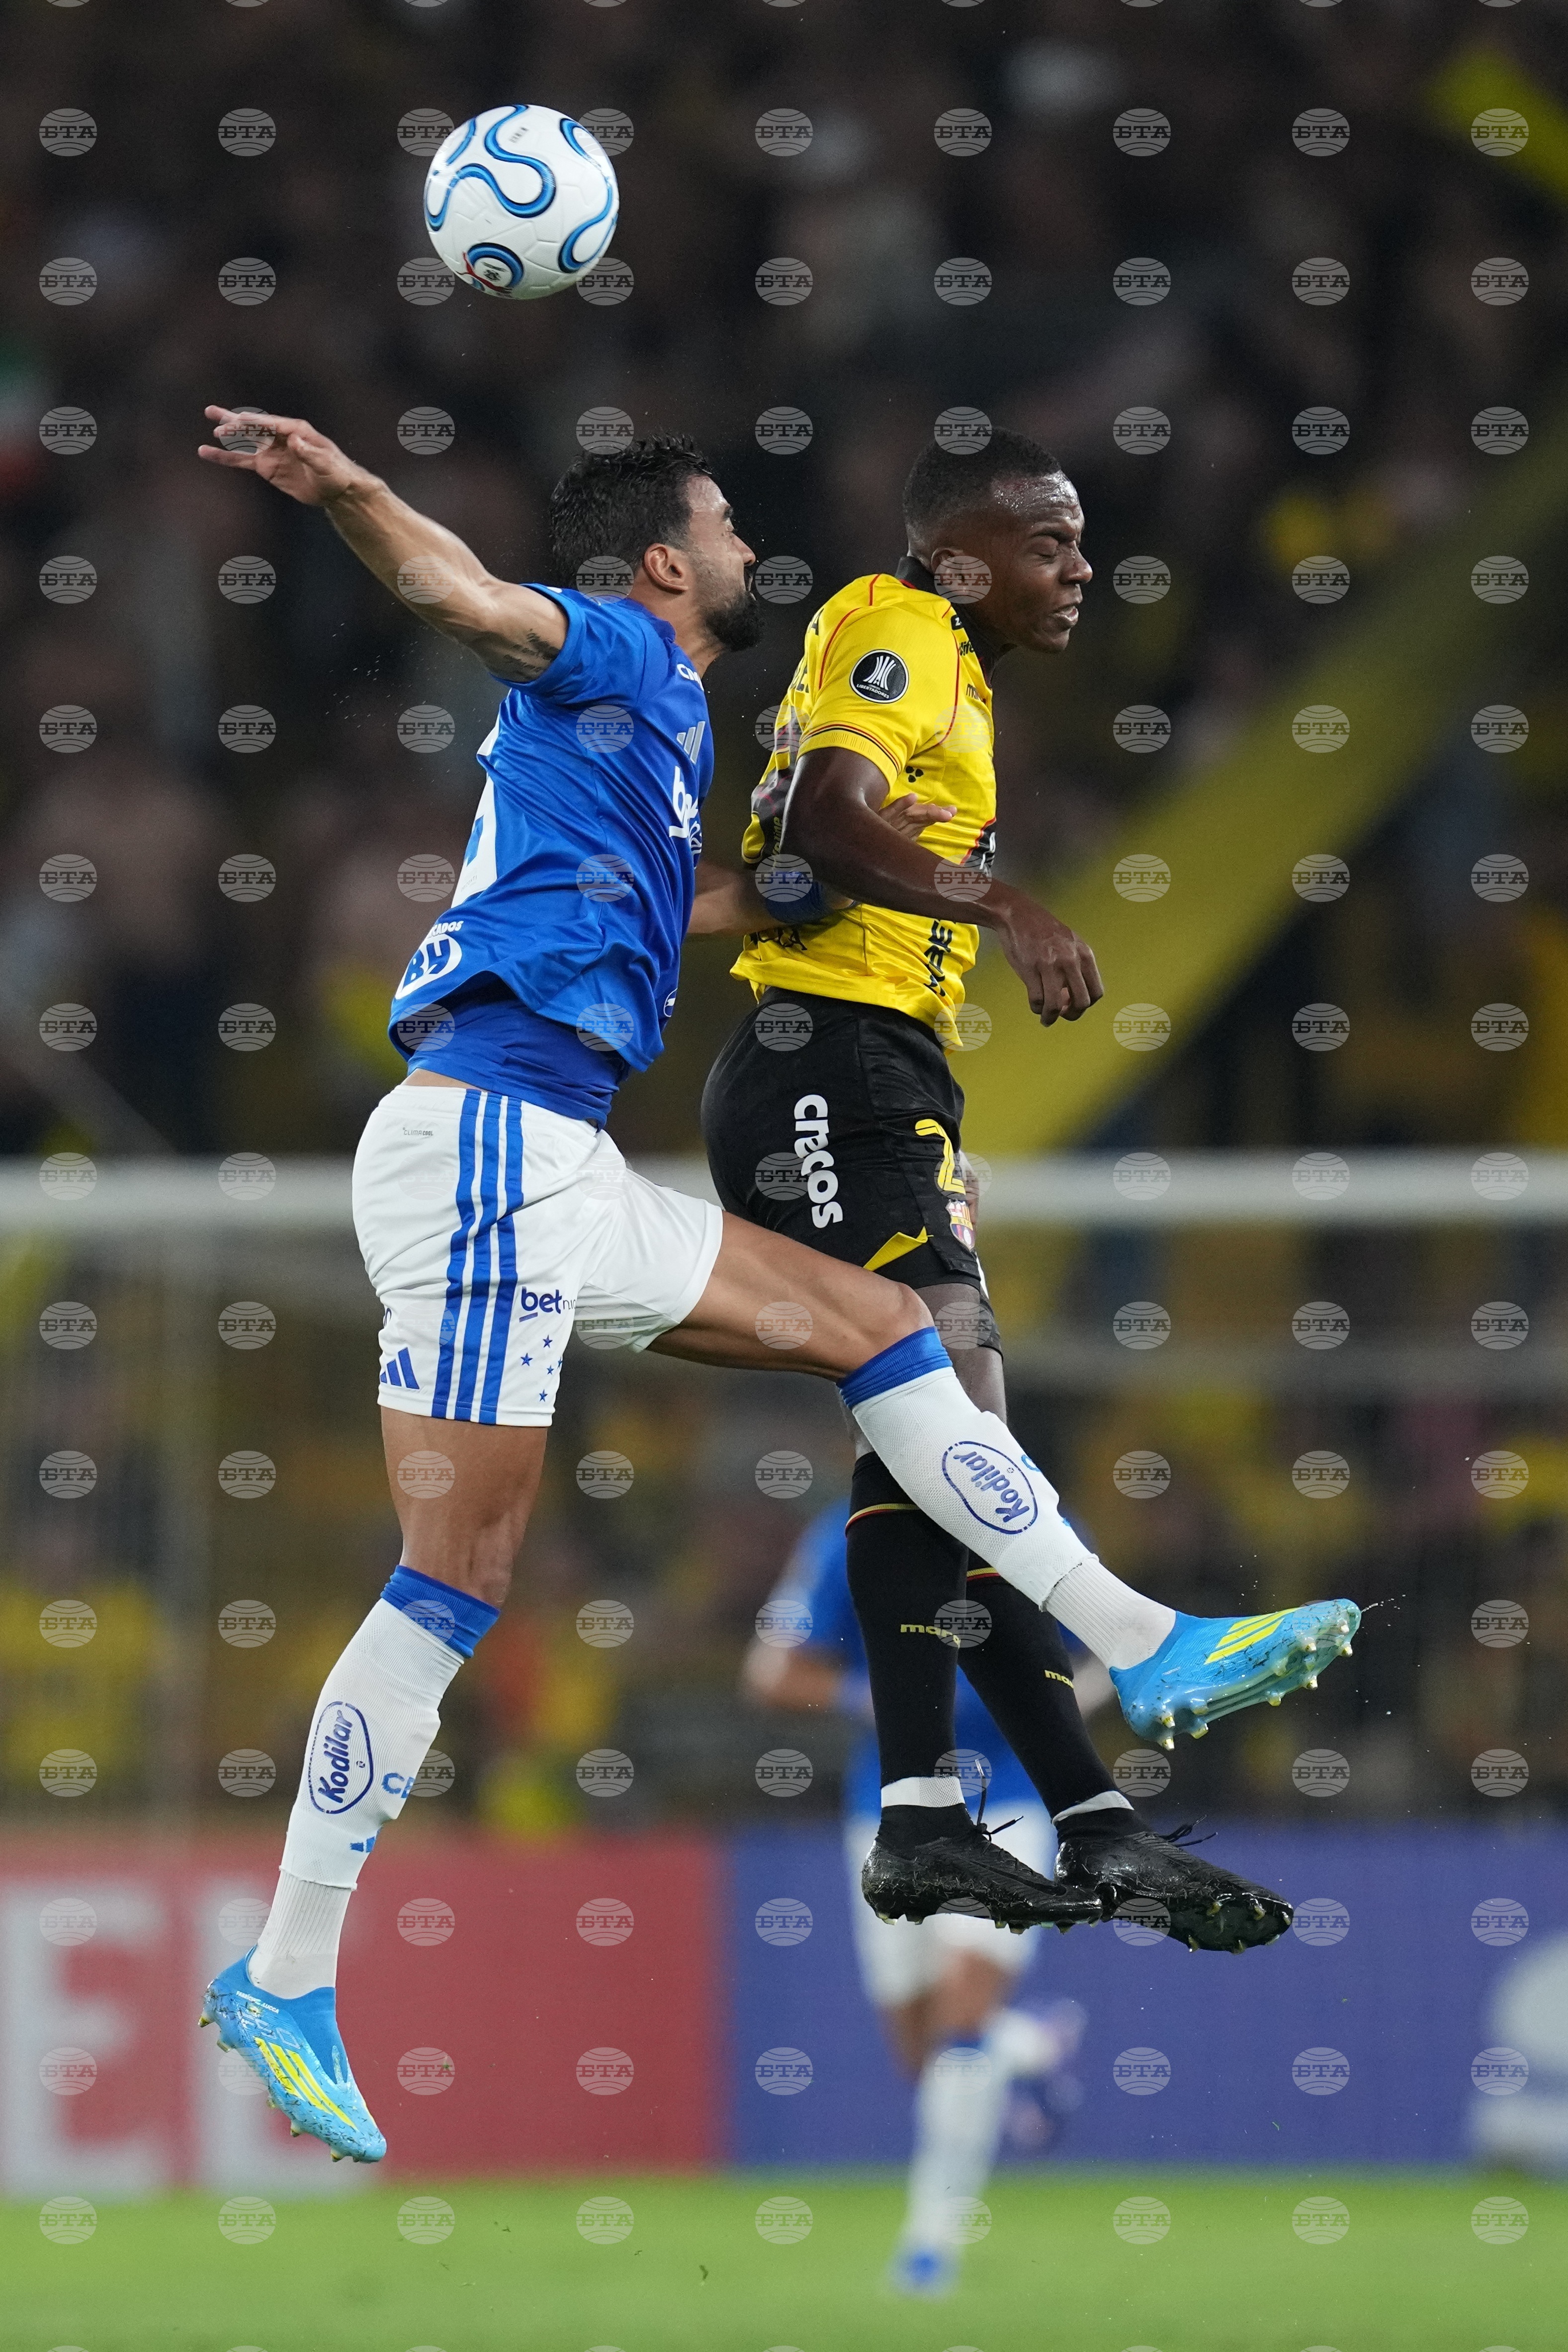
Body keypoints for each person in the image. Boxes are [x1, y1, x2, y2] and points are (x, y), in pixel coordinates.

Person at [192, 407, 1355, 2164]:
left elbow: (687, 899)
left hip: (554, 1159)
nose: (748, 545)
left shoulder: (652, 747)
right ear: (664, 563)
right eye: (724, 525)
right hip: (493, 1147)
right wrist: (349, 488)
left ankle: (1148, 1642)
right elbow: (463, 598)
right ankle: (286, 1975)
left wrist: (782, 891)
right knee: (454, 1579)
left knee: (883, 1333)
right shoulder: (604, 651)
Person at [697, 429, 1357, 1950]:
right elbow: (819, 818)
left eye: (1078, 542)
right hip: (827, 1067)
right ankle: (1065, 1748)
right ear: (956, 553)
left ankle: (999, 1814)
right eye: (1048, 541)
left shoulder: (946, 660)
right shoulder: (901, 625)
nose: (1077, 568)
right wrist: (1007, 901)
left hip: (881, 1081)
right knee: (945, 1421)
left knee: (949, 1444)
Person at [745, 1498, 1094, 2299]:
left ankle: (930, 2244)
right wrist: (875, 1699)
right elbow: (771, 1671)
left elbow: (1106, 1648)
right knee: (924, 2054)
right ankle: (1026, 2047)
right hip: (887, 1810)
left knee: (958, 2029)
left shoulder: (1033, 1518)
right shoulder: (849, 1534)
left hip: (1007, 1802)